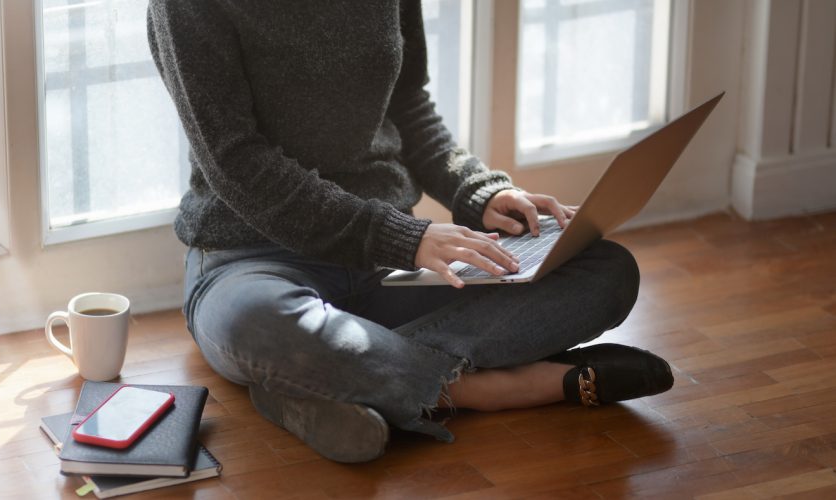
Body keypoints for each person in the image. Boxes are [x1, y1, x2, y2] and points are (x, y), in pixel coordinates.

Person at [146, 0, 674, 463]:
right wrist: (405, 237)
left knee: (605, 269)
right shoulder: (186, 6)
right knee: (254, 323)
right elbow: (237, 163)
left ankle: (330, 383)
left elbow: (408, 106)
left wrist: (480, 191)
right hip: (252, 259)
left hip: (387, 264)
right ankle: (487, 389)